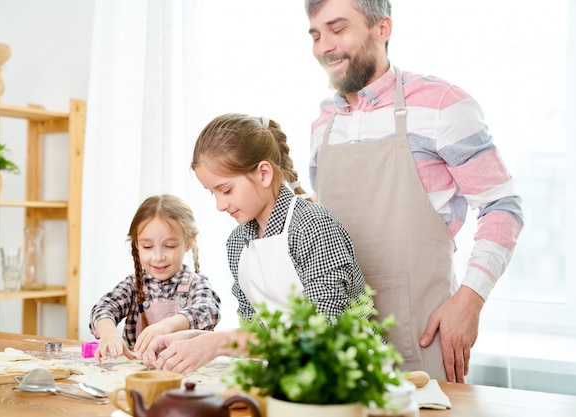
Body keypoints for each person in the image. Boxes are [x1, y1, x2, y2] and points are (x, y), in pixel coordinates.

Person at [305, 0, 524, 383]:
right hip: (340, 347)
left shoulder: (441, 104)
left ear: (382, 28)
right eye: (316, 34)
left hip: (425, 340)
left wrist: (469, 300)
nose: (324, 46)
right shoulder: (324, 123)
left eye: (337, 29)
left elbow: (502, 206)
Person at [141, 113, 371, 375]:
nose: (220, 205)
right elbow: (256, 335)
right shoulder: (238, 243)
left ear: (263, 173)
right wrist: (190, 338)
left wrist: (216, 344)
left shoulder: (314, 227)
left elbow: (323, 333)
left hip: (349, 377)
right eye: (212, 193)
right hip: (291, 377)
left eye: (226, 190)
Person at [89, 194, 221, 362]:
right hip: (138, 372)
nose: (158, 256)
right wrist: (109, 334)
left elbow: (207, 311)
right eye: (148, 246)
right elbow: (103, 308)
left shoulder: (196, 283)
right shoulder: (133, 285)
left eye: (170, 246)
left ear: (189, 242)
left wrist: (167, 326)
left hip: (185, 372)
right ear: (136, 244)